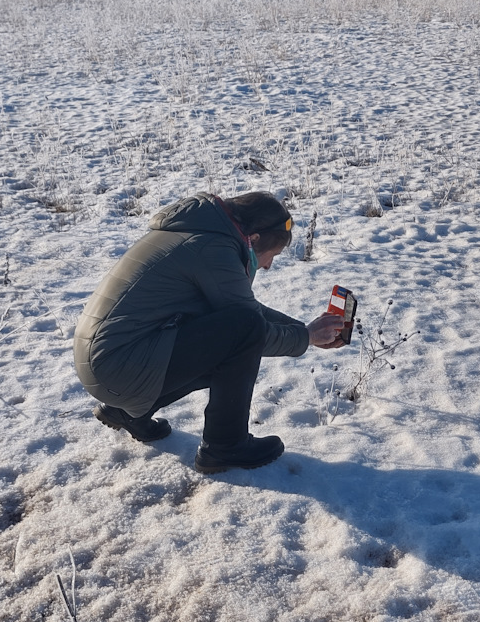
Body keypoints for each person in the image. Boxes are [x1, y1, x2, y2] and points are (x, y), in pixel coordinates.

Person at [73, 192, 346, 473]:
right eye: (271, 256)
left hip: (108, 361)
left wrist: (302, 330)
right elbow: (249, 326)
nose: (267, 266)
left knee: (231, 331)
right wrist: (306, 337)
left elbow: (243, 310)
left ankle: (126, 411)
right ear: (253, 239)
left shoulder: (200, 232)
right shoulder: (212, 249)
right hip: (117, 368)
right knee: (240, 334)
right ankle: (226, 445)